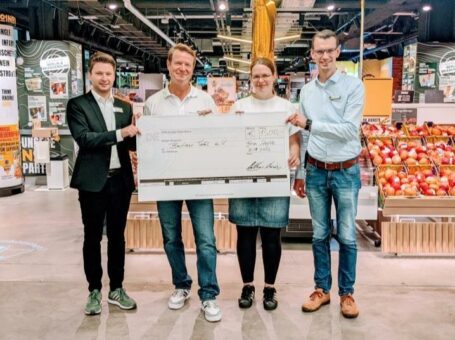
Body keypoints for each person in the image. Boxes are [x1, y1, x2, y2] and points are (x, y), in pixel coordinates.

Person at [287, 29, 365, 319]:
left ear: (337, 52)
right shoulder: (306, 91)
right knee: (319, 234)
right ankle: (322, 289)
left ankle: (347, 293)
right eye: (319, 51)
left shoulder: (353, 87)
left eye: (329, 50)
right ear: (312, 54)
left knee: (346, 236)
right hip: (317, 171)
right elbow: (304, 138)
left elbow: (348, 130)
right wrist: (300, 173)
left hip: (346, 170)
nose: (325, 56)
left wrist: (310, 124)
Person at [143, 44, 221, 322]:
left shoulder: (205, 102)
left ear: (193, 68)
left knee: (206, 239)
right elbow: (147, 145)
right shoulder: (153, 104)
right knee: (170, 237)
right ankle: (181, 285)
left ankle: (209, 294)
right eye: (178, 64)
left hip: (199, 181)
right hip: (166, 182)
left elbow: (216, 142)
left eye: (188, 65)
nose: (183, 69)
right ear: (168, 65)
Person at [67, 51, 140, 315]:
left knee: (118, 238)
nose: (104, 78)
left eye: (109, 73)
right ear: (90, 75)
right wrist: (121, 133)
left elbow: (130, 143)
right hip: (92, 183)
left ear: (114, 75)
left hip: (120, 182)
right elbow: (85, 139)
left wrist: (149, 132)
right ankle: (94, 290)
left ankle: (117, 289)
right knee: (92, 237)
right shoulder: (78, 105)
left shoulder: (125, 107)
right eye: (99, 73)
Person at [229, 57, 300, 311]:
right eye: (256, 76)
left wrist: (294, 152)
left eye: (265, 75)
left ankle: (270, 287)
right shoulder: (239, 106)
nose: (260, 80)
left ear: (274, 76)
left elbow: (294, 139)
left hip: (275, 178)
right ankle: (247, 285)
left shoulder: (285, 106)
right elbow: (229, 140)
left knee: (272, 235)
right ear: (250, 78)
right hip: (244, 179)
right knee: (245, 234)